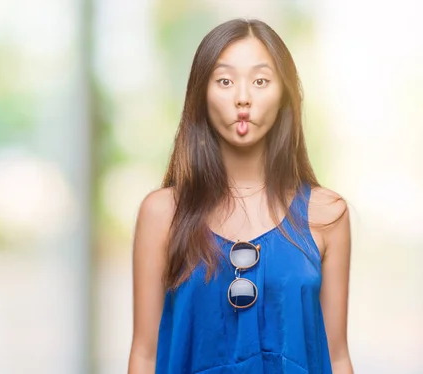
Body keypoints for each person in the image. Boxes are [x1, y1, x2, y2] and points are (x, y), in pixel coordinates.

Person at [127, 18, 353, 374]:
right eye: (225, 81)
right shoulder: (162, 213)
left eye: (261, 81)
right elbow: (144, 353)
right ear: (201, 95)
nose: (243, 97)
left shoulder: (326, 214)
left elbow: (337, 356)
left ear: (284, 96)